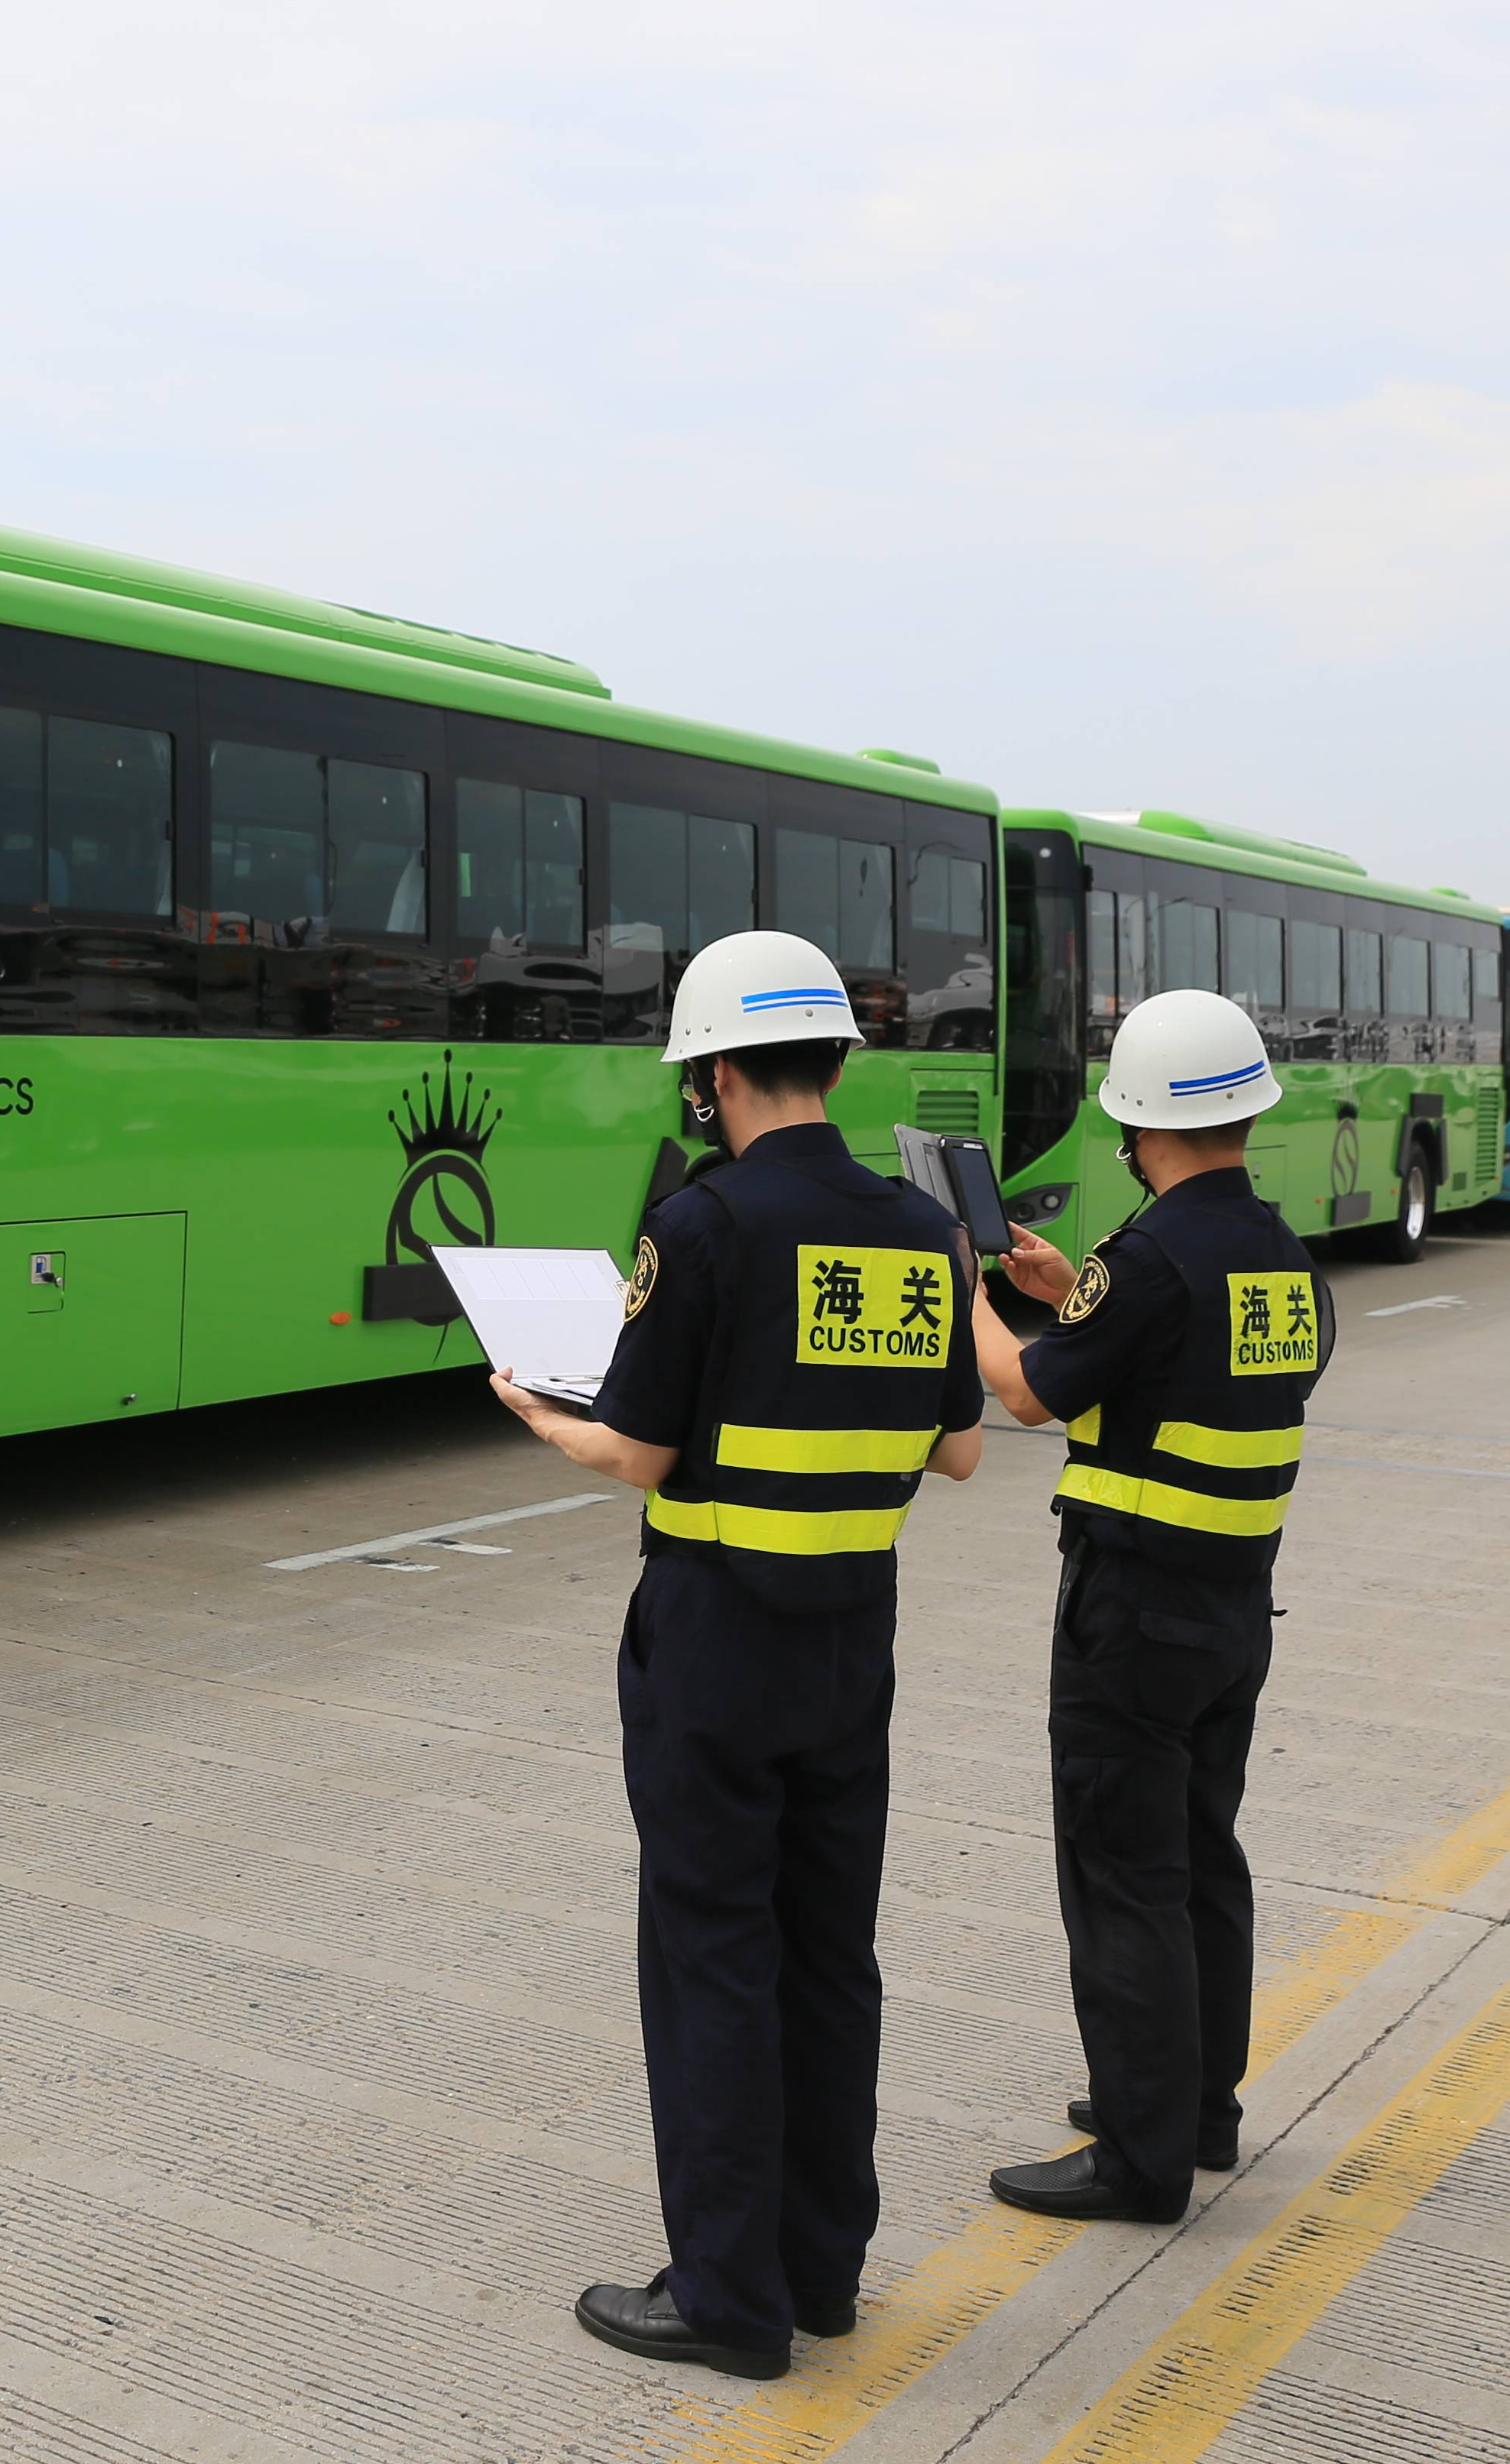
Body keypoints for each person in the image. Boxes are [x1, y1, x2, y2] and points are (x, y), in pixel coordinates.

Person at [493, 929, 987, 2381]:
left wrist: (540, 1412)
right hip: (853, 1635)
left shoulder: (699, 1230)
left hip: (715, 1641)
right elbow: (959, 1448)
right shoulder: (912, 1228)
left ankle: (725, 2296)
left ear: (710, 1078)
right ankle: (823, 2271)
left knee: (714, 1953)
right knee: (831, 1954)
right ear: (837, 1061)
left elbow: (641, 1448)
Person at [965, 987, 1327, 2224]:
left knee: (1122, 1873)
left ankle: (1137, 2156)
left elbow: (1028, 1395)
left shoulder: (1151, 1259)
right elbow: (1166, 1368)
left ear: (1138, 1128)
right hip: (1235, 1611)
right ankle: (1198, 2106)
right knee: (1203, 1858)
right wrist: (1072, 1289)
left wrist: (962, 1295)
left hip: (1131, 1615)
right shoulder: (1282, 1255)